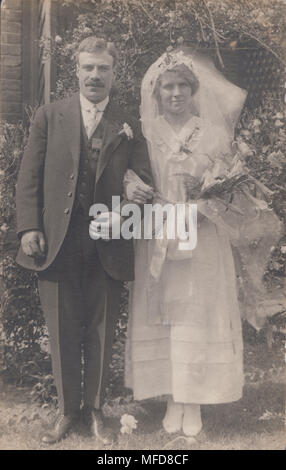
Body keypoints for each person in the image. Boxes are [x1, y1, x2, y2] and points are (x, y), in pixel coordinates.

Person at [124, 47, 283, 437]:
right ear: (157, 93)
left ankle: (192, 399)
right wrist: (132, 184)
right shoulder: (147, 133)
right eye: (167, 87)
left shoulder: (212, 134)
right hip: (160, 233)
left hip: (203, 238)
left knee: (196, 313)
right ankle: (173, 399)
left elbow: (230, 191)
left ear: (194, 91)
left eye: (182, 86)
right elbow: (132, 174)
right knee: (166, 313)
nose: (175, 93)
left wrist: (202, 206)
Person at [15, 36, 152, 444]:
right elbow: (29, 177)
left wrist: (133, 194)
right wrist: (28, 228)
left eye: (103, 68)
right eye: (88, 68)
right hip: (57, 240)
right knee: (61, 329)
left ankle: (95, 411)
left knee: (100, 328)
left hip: (106, 244)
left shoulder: (130, 124)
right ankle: (66, 411)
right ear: (76, 71)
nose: (95, 75)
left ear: (114, 72)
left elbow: (145, 183)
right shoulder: (49, 116)